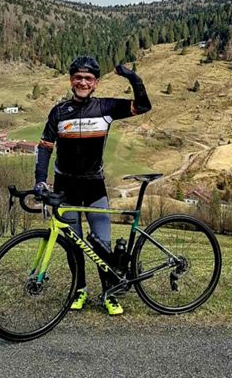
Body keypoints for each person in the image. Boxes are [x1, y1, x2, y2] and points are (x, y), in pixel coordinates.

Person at [34, 55, 151, 315]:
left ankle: (109, 292)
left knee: (102, 245)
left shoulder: (105, 108)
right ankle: (80, 290)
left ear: (96, 82)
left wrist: (132, 77)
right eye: (78, 77)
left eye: (88, 78)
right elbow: (45, 147)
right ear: (71, 80)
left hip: (94, 188)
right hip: (65, 189)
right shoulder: (58, 112)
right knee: (73, 245)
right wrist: (40, 180)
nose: (83, 82)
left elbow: (143, 106)